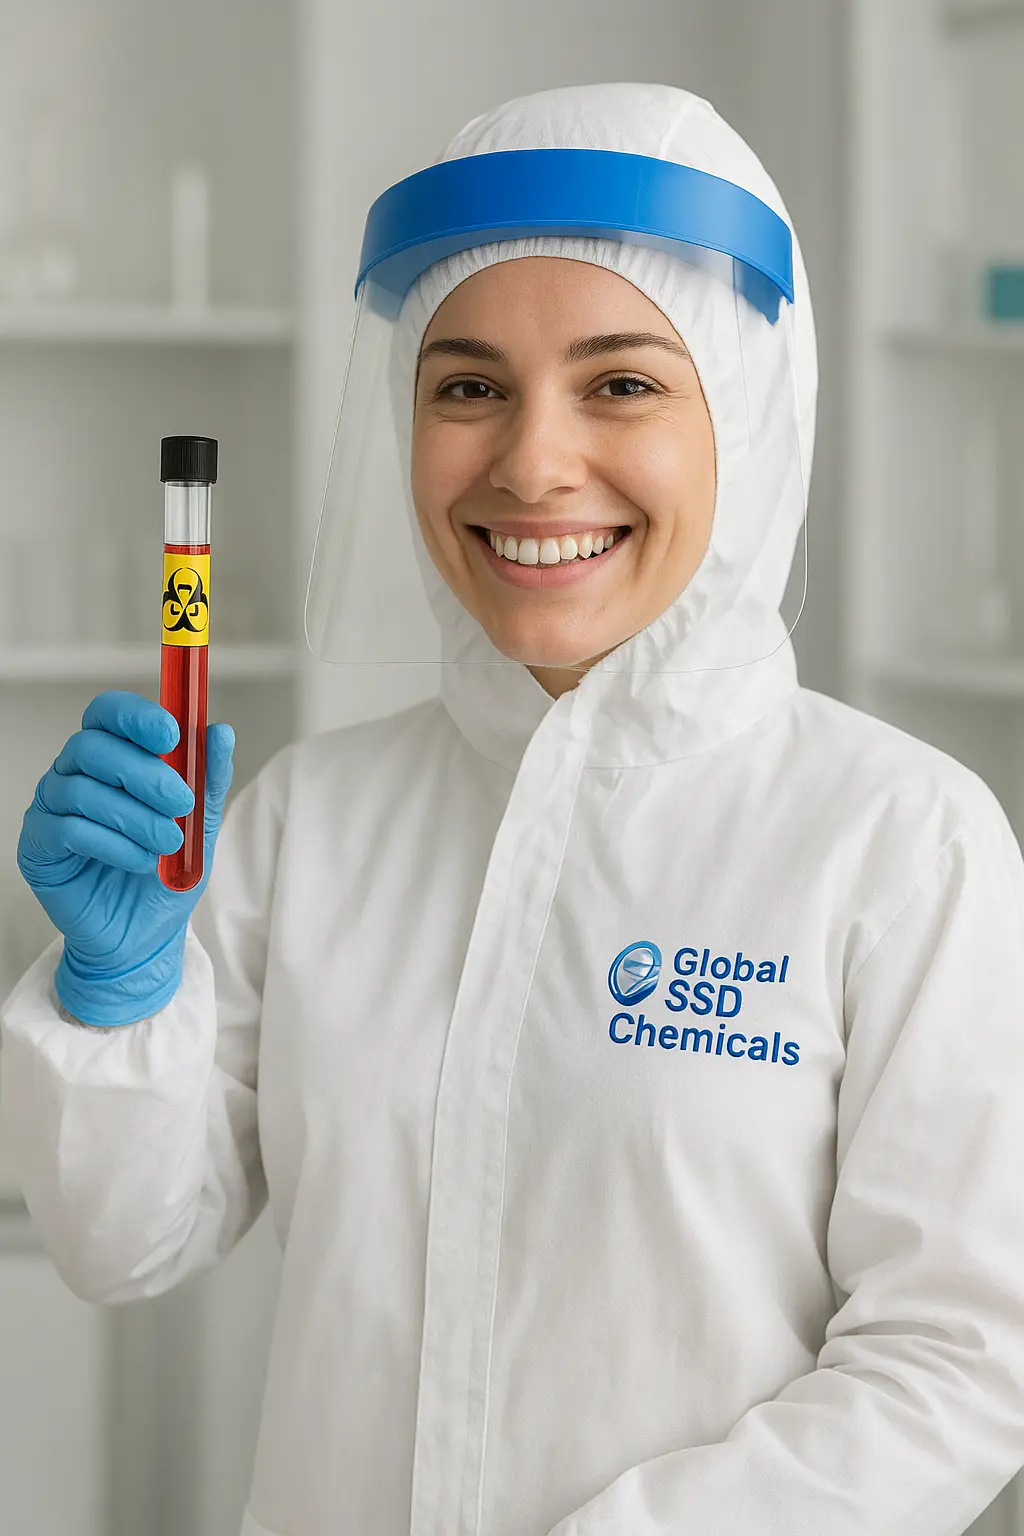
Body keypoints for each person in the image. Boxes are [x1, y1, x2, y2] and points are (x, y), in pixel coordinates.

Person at [4, 81, 1024, 1536]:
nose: (532, 461)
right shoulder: (313, 822)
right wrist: (118, 990)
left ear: (745, 417)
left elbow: (960, 1359)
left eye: (621, 383)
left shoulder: (901, 843)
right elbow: (123, 1243)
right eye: (468, 385)